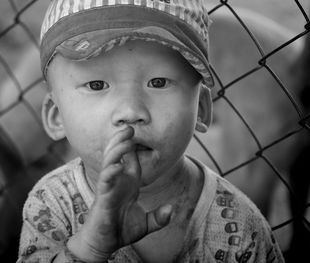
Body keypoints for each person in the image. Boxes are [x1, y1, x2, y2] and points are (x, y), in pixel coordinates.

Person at [17, 0, 284, 262]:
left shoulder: (240, 225)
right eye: (97, 85)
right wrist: (89, 249)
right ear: (56, 116)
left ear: (202, 108)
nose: (131, 111)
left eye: (158, 82)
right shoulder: (51, 206)